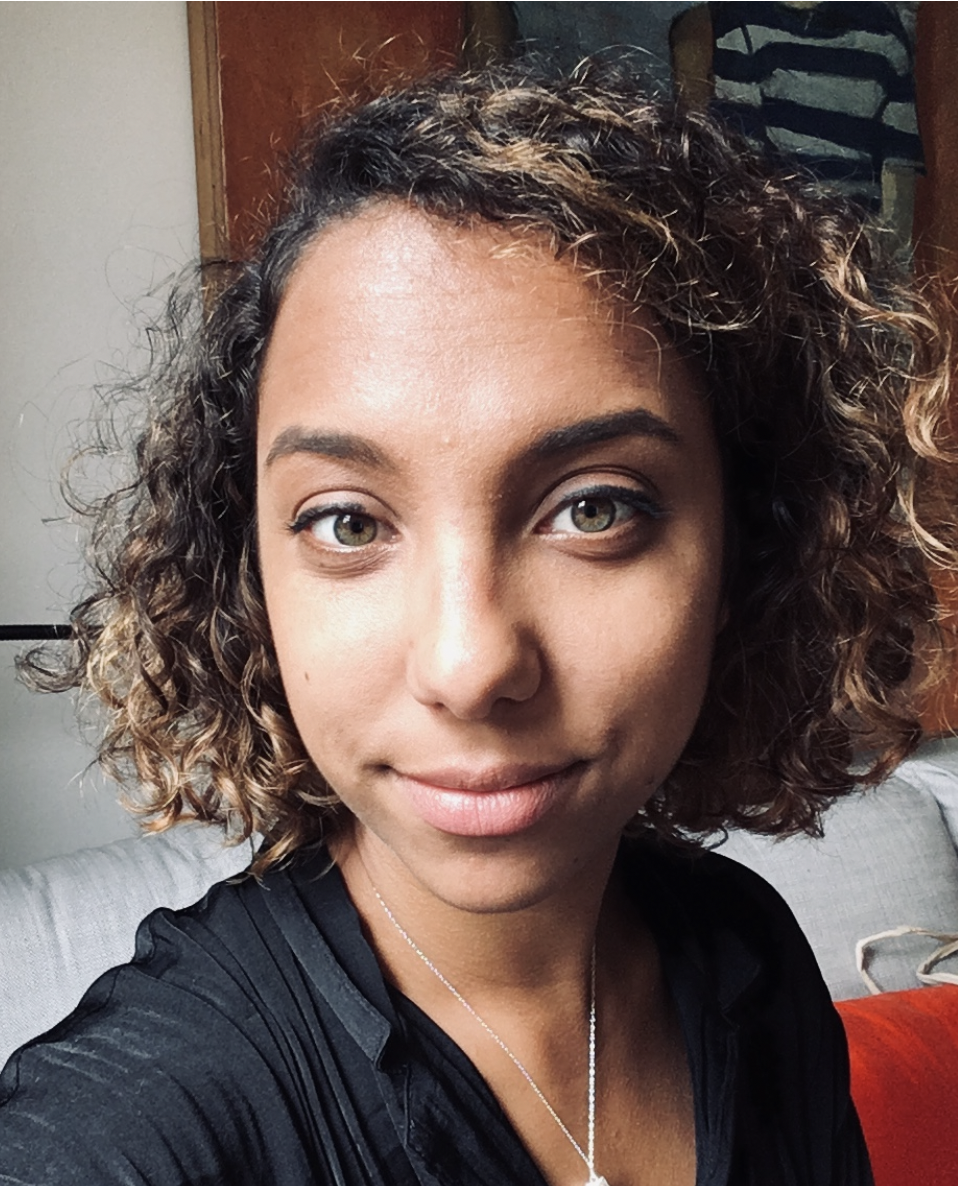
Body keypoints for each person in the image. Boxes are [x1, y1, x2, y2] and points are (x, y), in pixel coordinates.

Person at [1, 59, 954, 1185]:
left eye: (593, 508)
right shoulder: (141, 1118)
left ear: (746, 547)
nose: (469, 664)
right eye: (348, 521)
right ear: (248, 578)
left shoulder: (745, 953)